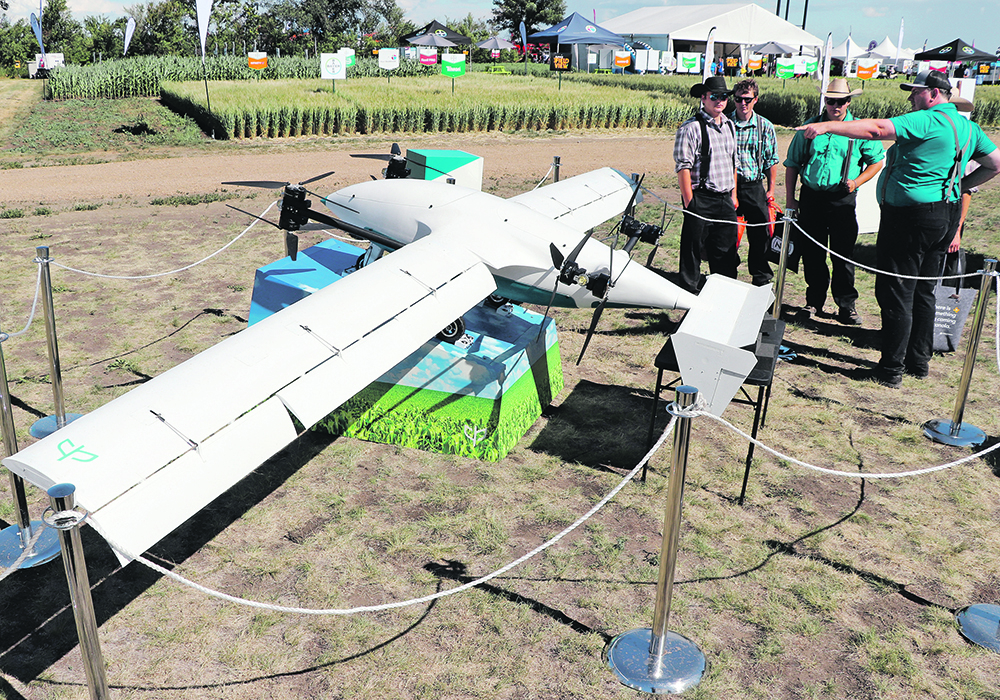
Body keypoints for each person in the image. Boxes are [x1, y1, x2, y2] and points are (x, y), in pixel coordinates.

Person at [795, 70, 1000, 386]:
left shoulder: (927, 120)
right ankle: (918, 362)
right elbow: (995, 164)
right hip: (944, 214)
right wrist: (961, 184)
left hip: (910, 220)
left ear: (932, 93)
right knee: (924, 290)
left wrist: (825, 126)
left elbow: (877, 129)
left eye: (914, 92)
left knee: (897, 291)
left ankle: (890, 369)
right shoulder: (967, 127)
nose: (910, 98)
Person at [784, 78, 885, 324]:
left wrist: (856, 182)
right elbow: (792, 164)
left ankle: (846, 305)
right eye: (830, 101)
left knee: (843, 254)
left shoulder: (859, 129)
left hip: (842, 198)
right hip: (812, 197)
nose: (835, 106)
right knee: (813, 253)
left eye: (840, 101)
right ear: (825, 101)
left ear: (848, 102)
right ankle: (813, 302)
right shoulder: (810, 128)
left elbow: (876, 162)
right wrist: (790, 198)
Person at [673, 75, 739, 293]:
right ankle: (689, 294)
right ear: (703, 98)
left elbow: (733, 163)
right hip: (701, 196)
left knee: (726, 251)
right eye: (714, 96)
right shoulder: (690, 128)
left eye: (724, 97)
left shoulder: (730, 125)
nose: (719, 101)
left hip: (724, 198)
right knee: (693, 251)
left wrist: (733, 195)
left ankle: (723, 293)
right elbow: (683, 167)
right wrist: (690, 203)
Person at [731, 78, 779, 287]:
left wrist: (770, 189)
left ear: (755, 100)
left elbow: (772, 160)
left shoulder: (765, 126)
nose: (743, 103)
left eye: (748, 99)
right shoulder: (725, 124)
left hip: (753, 185)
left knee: (760, 234)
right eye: (739, 99)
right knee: (728, 233)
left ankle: (760, 276)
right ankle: (727, 272)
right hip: (729, 186)